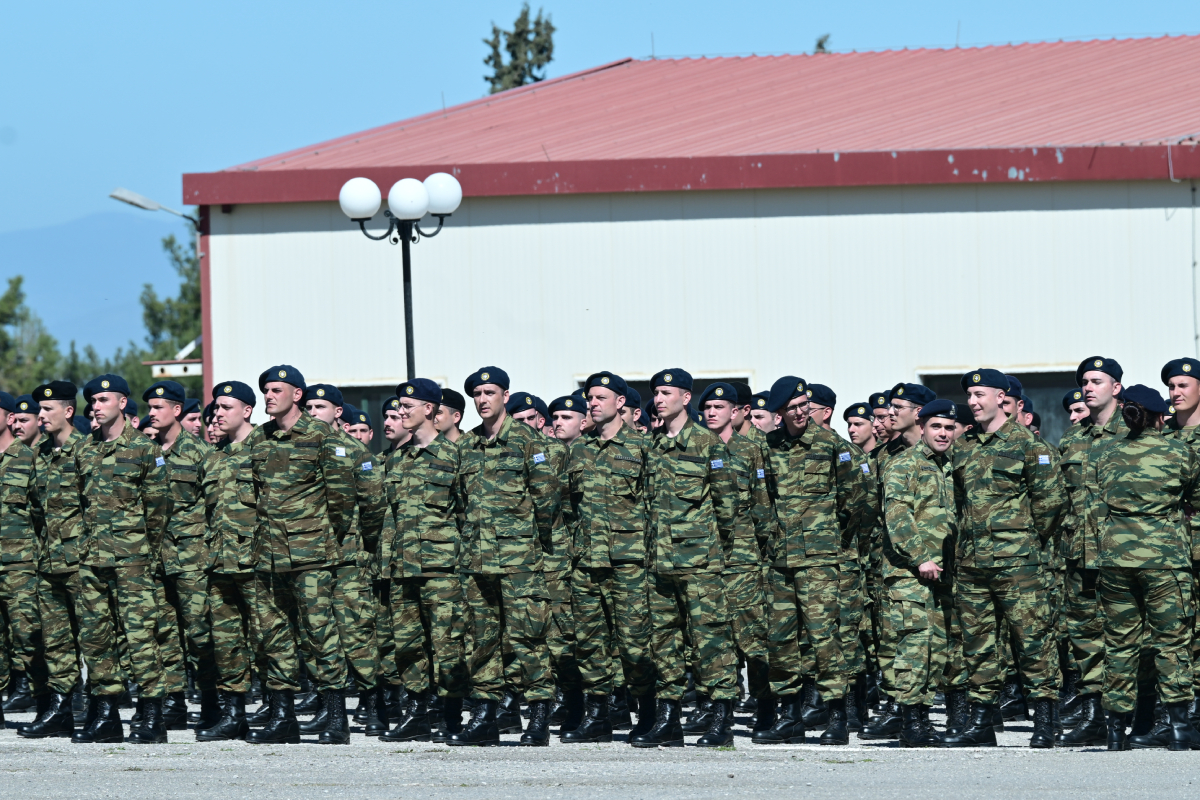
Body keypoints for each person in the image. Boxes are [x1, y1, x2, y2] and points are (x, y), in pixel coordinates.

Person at [939, 369, 1064, 749]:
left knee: (1031, 640)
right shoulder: (964, 445)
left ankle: (1045, 719)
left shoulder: (1031, 446)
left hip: (1018, 563)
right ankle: (982, 721)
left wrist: (1022, 540)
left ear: (1001, 397)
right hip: (972, 564)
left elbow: (1051, 504)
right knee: (977, 643)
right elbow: (958, 502)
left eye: (980, 394)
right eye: (970, 395)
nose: (973, 402)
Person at [243, 366, 358, 745]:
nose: (269, 396)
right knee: (272, 635)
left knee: (319, 633)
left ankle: (335, 716)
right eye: (265, 390)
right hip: (268, 554)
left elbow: (341, 498)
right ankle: (282, 716)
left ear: (297, 394)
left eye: (277, 389)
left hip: (310, 554)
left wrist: (322, 538)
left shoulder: (322, 437)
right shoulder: (259, 439)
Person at [755, 376, 870, 747]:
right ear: (780, 413)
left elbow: (856, 501)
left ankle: (836, 715)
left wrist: (832, 539)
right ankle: (789, 715)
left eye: (805, 404)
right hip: (779, 560)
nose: (802, 412)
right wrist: (771, 536)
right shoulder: (767, 447)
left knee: (825, 638)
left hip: (821, 559)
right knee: (781, 638)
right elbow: (761, 499)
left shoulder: (832, 445)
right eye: (793, 407)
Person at [450, 367, 559, 747]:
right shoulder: (466, 446)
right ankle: (484, 717)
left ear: (505, 396)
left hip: (519, 561)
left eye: (489, 392)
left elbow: (546, 501)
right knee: (480, 640)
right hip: (477, 560)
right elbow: (461, 505)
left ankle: (539, 717)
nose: (482, 400)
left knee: (527, 638)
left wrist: (531, 547)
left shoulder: (529, 441)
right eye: (476, 394)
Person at [634, 368, 738, 749]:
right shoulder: (653, 445)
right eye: (655, 393)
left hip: (699, 563)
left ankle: (721, 718)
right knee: (663, 641)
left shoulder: (709, 445)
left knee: (711, 639)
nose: (658, 400)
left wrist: (711, 551)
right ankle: (669, 719)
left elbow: (728, 508)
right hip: (658, 562)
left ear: (685, 397)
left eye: (665, 393)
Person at [1094, 384, 1200, 751]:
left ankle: (1115, 732)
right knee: (1171, 642)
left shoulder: (1105, 452)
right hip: (1164, 559)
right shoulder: (1178, 450)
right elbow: (1197, 498)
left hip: (1115, 559)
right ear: (1160, 416)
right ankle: (1180, 728)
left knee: (1120, 644)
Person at [73, 374, 172, 744]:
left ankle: (152, 715)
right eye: (93, 401)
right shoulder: (84, 450)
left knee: (140, 635)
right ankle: (106, 713)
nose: (95, 407)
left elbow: (159, 509)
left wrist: (141, 550)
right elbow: (81, 505)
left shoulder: (145, 450)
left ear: (122, 403)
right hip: (92, 558)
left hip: (132, 559)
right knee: (96, 637)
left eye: (102, 400)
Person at [561, 372, 655, 744]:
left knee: (635, 642)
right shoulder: (578, 450)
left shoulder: (643, 449)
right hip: (587, 561)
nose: (593, 403)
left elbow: (654, 506)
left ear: (621, 403)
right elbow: (568, 507)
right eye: (590, 398)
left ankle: (647, 713)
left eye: (601, 397)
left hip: (629, 562)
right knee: (589, 641)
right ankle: (598, 716)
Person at [381, 378, 469, 743]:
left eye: (408, 406)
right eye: (400, 406)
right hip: (403, 568)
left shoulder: (456, 457)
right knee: (408, 644)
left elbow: (468, 515)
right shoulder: (396, 460)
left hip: (442, 569)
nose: (401, 412)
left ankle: (449, 715)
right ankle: (416, 713)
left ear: (430, 409)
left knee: (447, 643)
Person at [302, 384, 388, 737]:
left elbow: (374, 506)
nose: (312, 412)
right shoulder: (299, 451)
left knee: (357, 633)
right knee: (318, 634)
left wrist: (361, 547)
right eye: (308, 406)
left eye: (320, 406)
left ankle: (375, 705)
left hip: (349, 557)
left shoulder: (355, 452)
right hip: (312, 556)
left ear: (338, 412)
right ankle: (331, 710)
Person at [693, 382, 773, 733]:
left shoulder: (752, 450)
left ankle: (767, 706)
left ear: (735, 411)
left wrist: (761, 553)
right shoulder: (692, 448)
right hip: (703, 557)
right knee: (712, 639)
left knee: (752, 636)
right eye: (707, 407)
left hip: (743, 557)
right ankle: (720, 713)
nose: (711, 412)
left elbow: (762, 503)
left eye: (719, 406)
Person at [142, 380, 221, 732]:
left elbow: (216, 508)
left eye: (158, 408)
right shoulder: (145, 451)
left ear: (176, 410)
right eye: (149, 408)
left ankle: (210, 702)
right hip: (156, 558)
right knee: (164, 634)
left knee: (200, 634)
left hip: (192, 558)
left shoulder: (201, 453)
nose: (151, 414)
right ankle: (173, 703)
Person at [1055, 357, 1127, 746]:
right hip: (1079, 554)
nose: (1088, 387)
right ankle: (1094, 715)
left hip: (1124, 554)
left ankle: (1139, 716)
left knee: (1129, 636)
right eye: (1084, 381)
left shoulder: (1135, 432)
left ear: (1116, 387)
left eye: (1097, 381)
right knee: (1085, 636)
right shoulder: (1072, 439)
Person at [881, 399, 959, 746]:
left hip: (943, 572)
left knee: (937, 646)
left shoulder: (950, 466)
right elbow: (897, 514)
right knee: (913, 644)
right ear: (923, 427)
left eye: (949, 428)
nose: (943, 433)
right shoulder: (903, 466)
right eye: (936, 427)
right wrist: (920, 557)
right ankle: (910, 721)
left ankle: (925, 719)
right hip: (911, 572)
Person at [22, 382, 86, 738]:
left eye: (47, 410)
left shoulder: (87, 450)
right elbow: (36, 509)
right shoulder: (40, 454)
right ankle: (61, 709)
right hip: (49, 563)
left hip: (82, 561)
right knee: (56, 639)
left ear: (68, 411)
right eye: (39, 410)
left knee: (94, 638)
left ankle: (97, 707)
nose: (40, 416)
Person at [199, 380, 260, 742]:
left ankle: (278, 709)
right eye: (215, 408)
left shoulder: (265, 448)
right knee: (226, 640)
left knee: (269, 640)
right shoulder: (214, 455)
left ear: (246, 411)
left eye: (225, 407)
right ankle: (234, 713)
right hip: (219, 563)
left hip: (256, 561)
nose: (217, 414)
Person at [0, 391, 41, 731]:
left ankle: (47, 702)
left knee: (28, 634)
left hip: (20, 564)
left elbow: (43, 514)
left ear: (10, 419)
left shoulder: (28, 459)